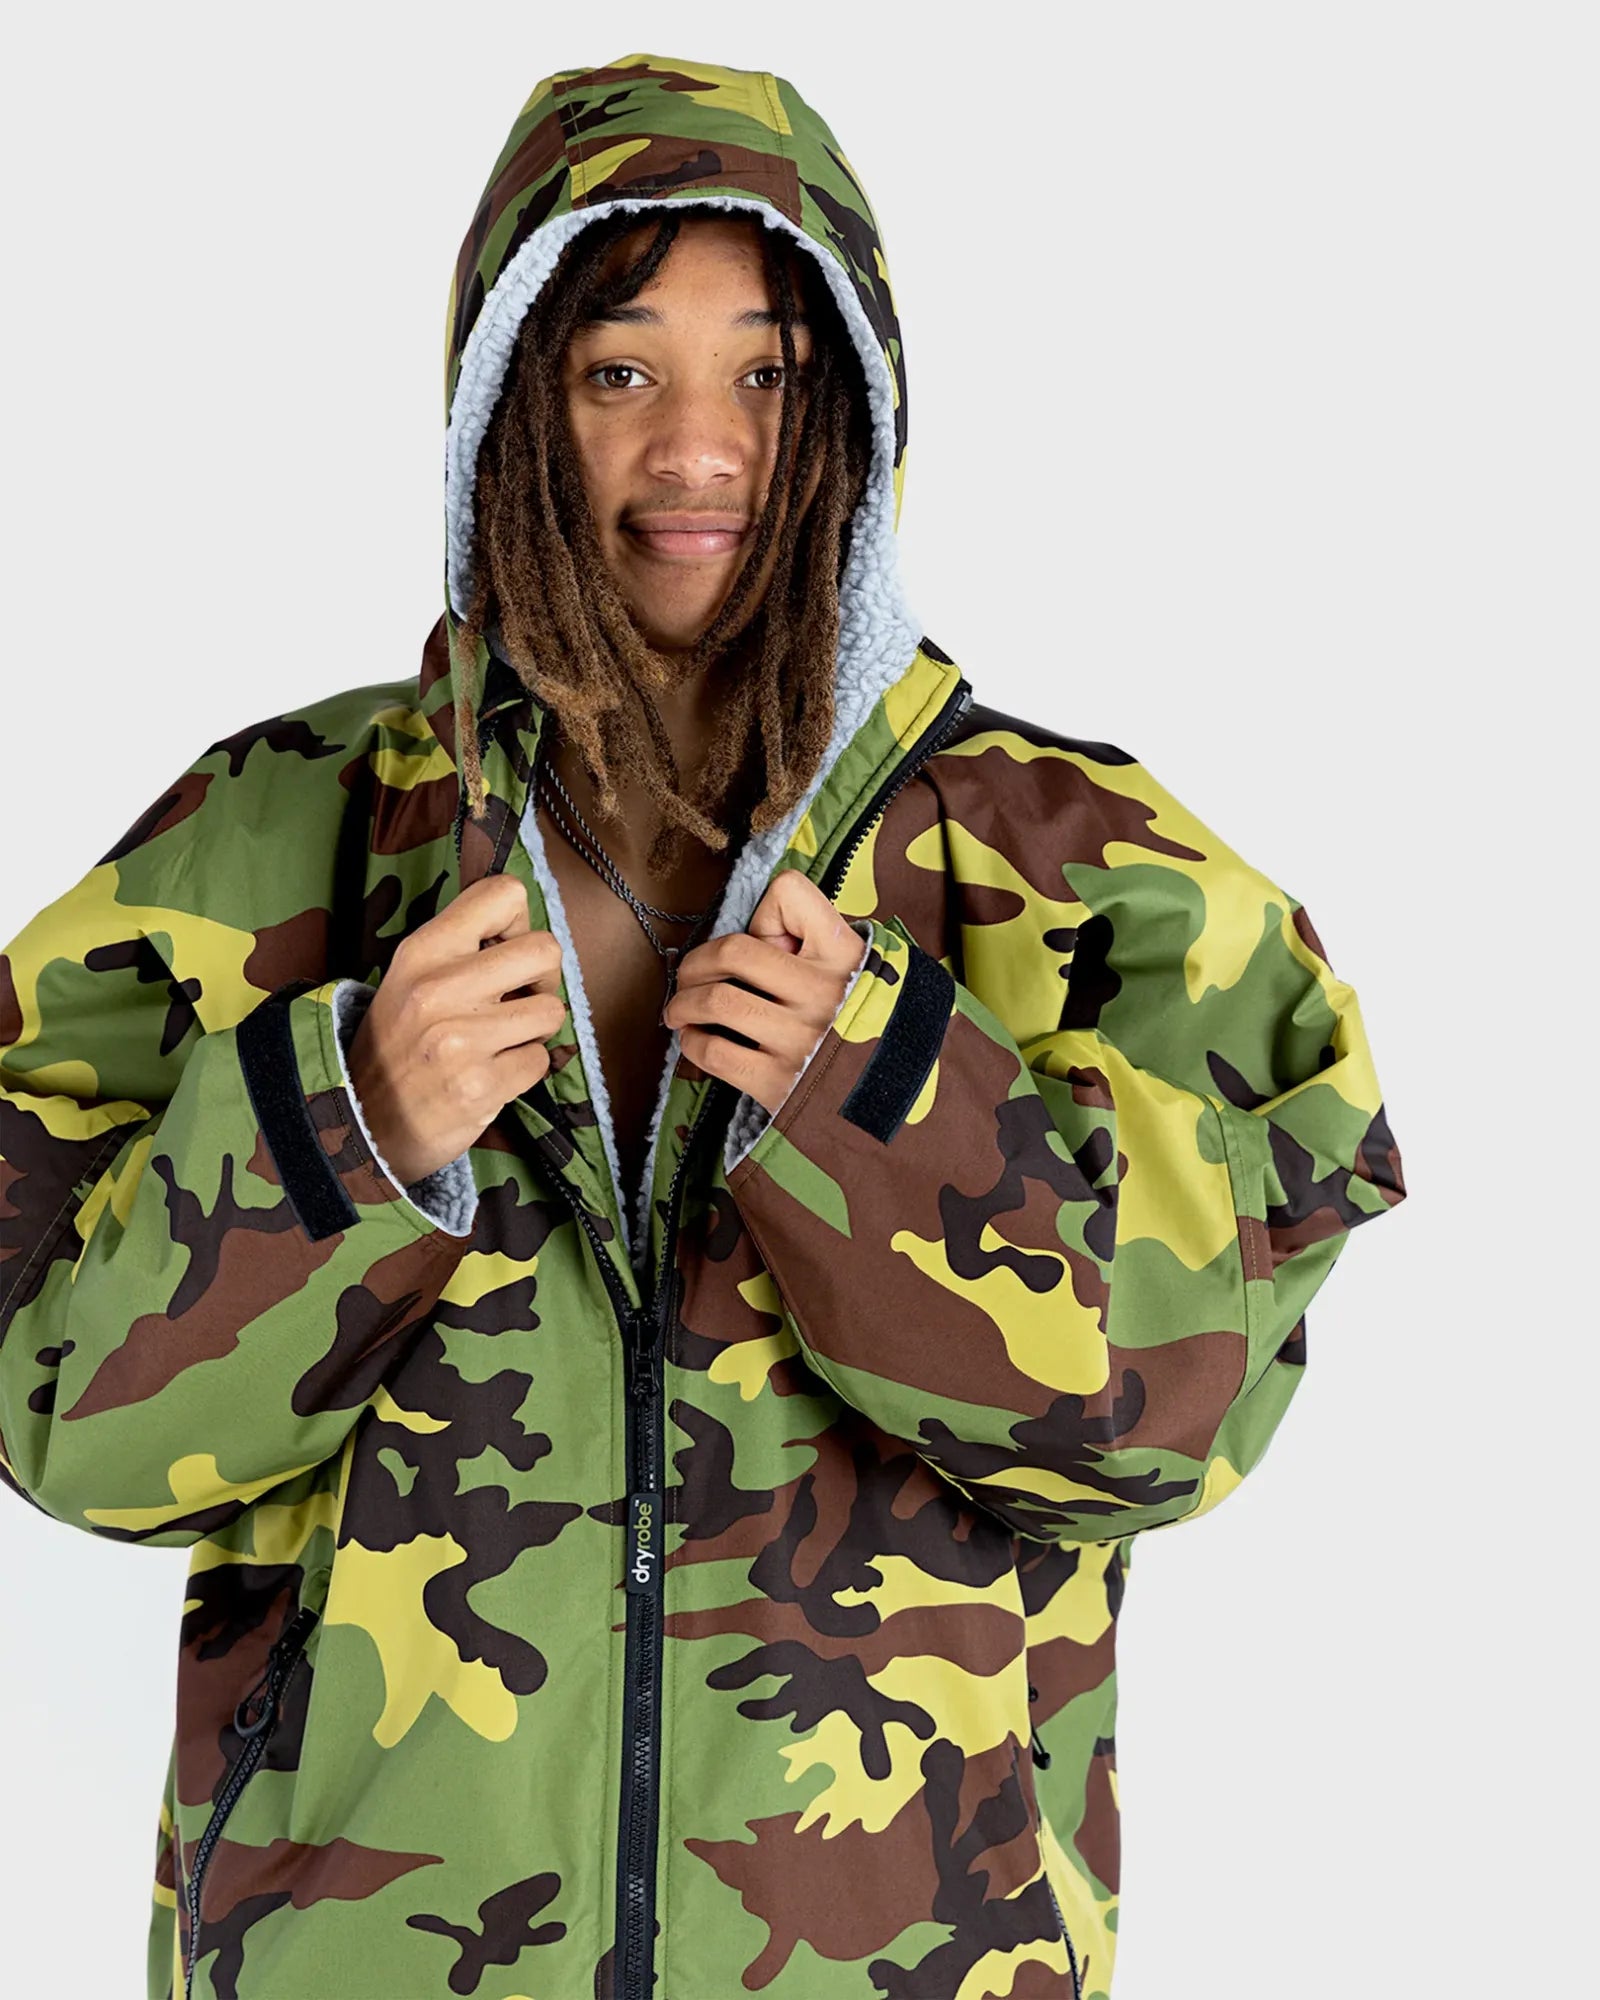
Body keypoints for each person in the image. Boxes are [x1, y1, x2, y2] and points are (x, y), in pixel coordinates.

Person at [0, 53, 1408, 2000]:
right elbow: (69, 1430)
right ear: (511, 401)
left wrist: (892, 1105)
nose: (697, 448)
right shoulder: (269, 845)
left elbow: (1171, 1423)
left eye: (767, 371)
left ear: (854, 408)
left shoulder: (1089, 875)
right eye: (618, 369)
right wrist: (344, 1125)